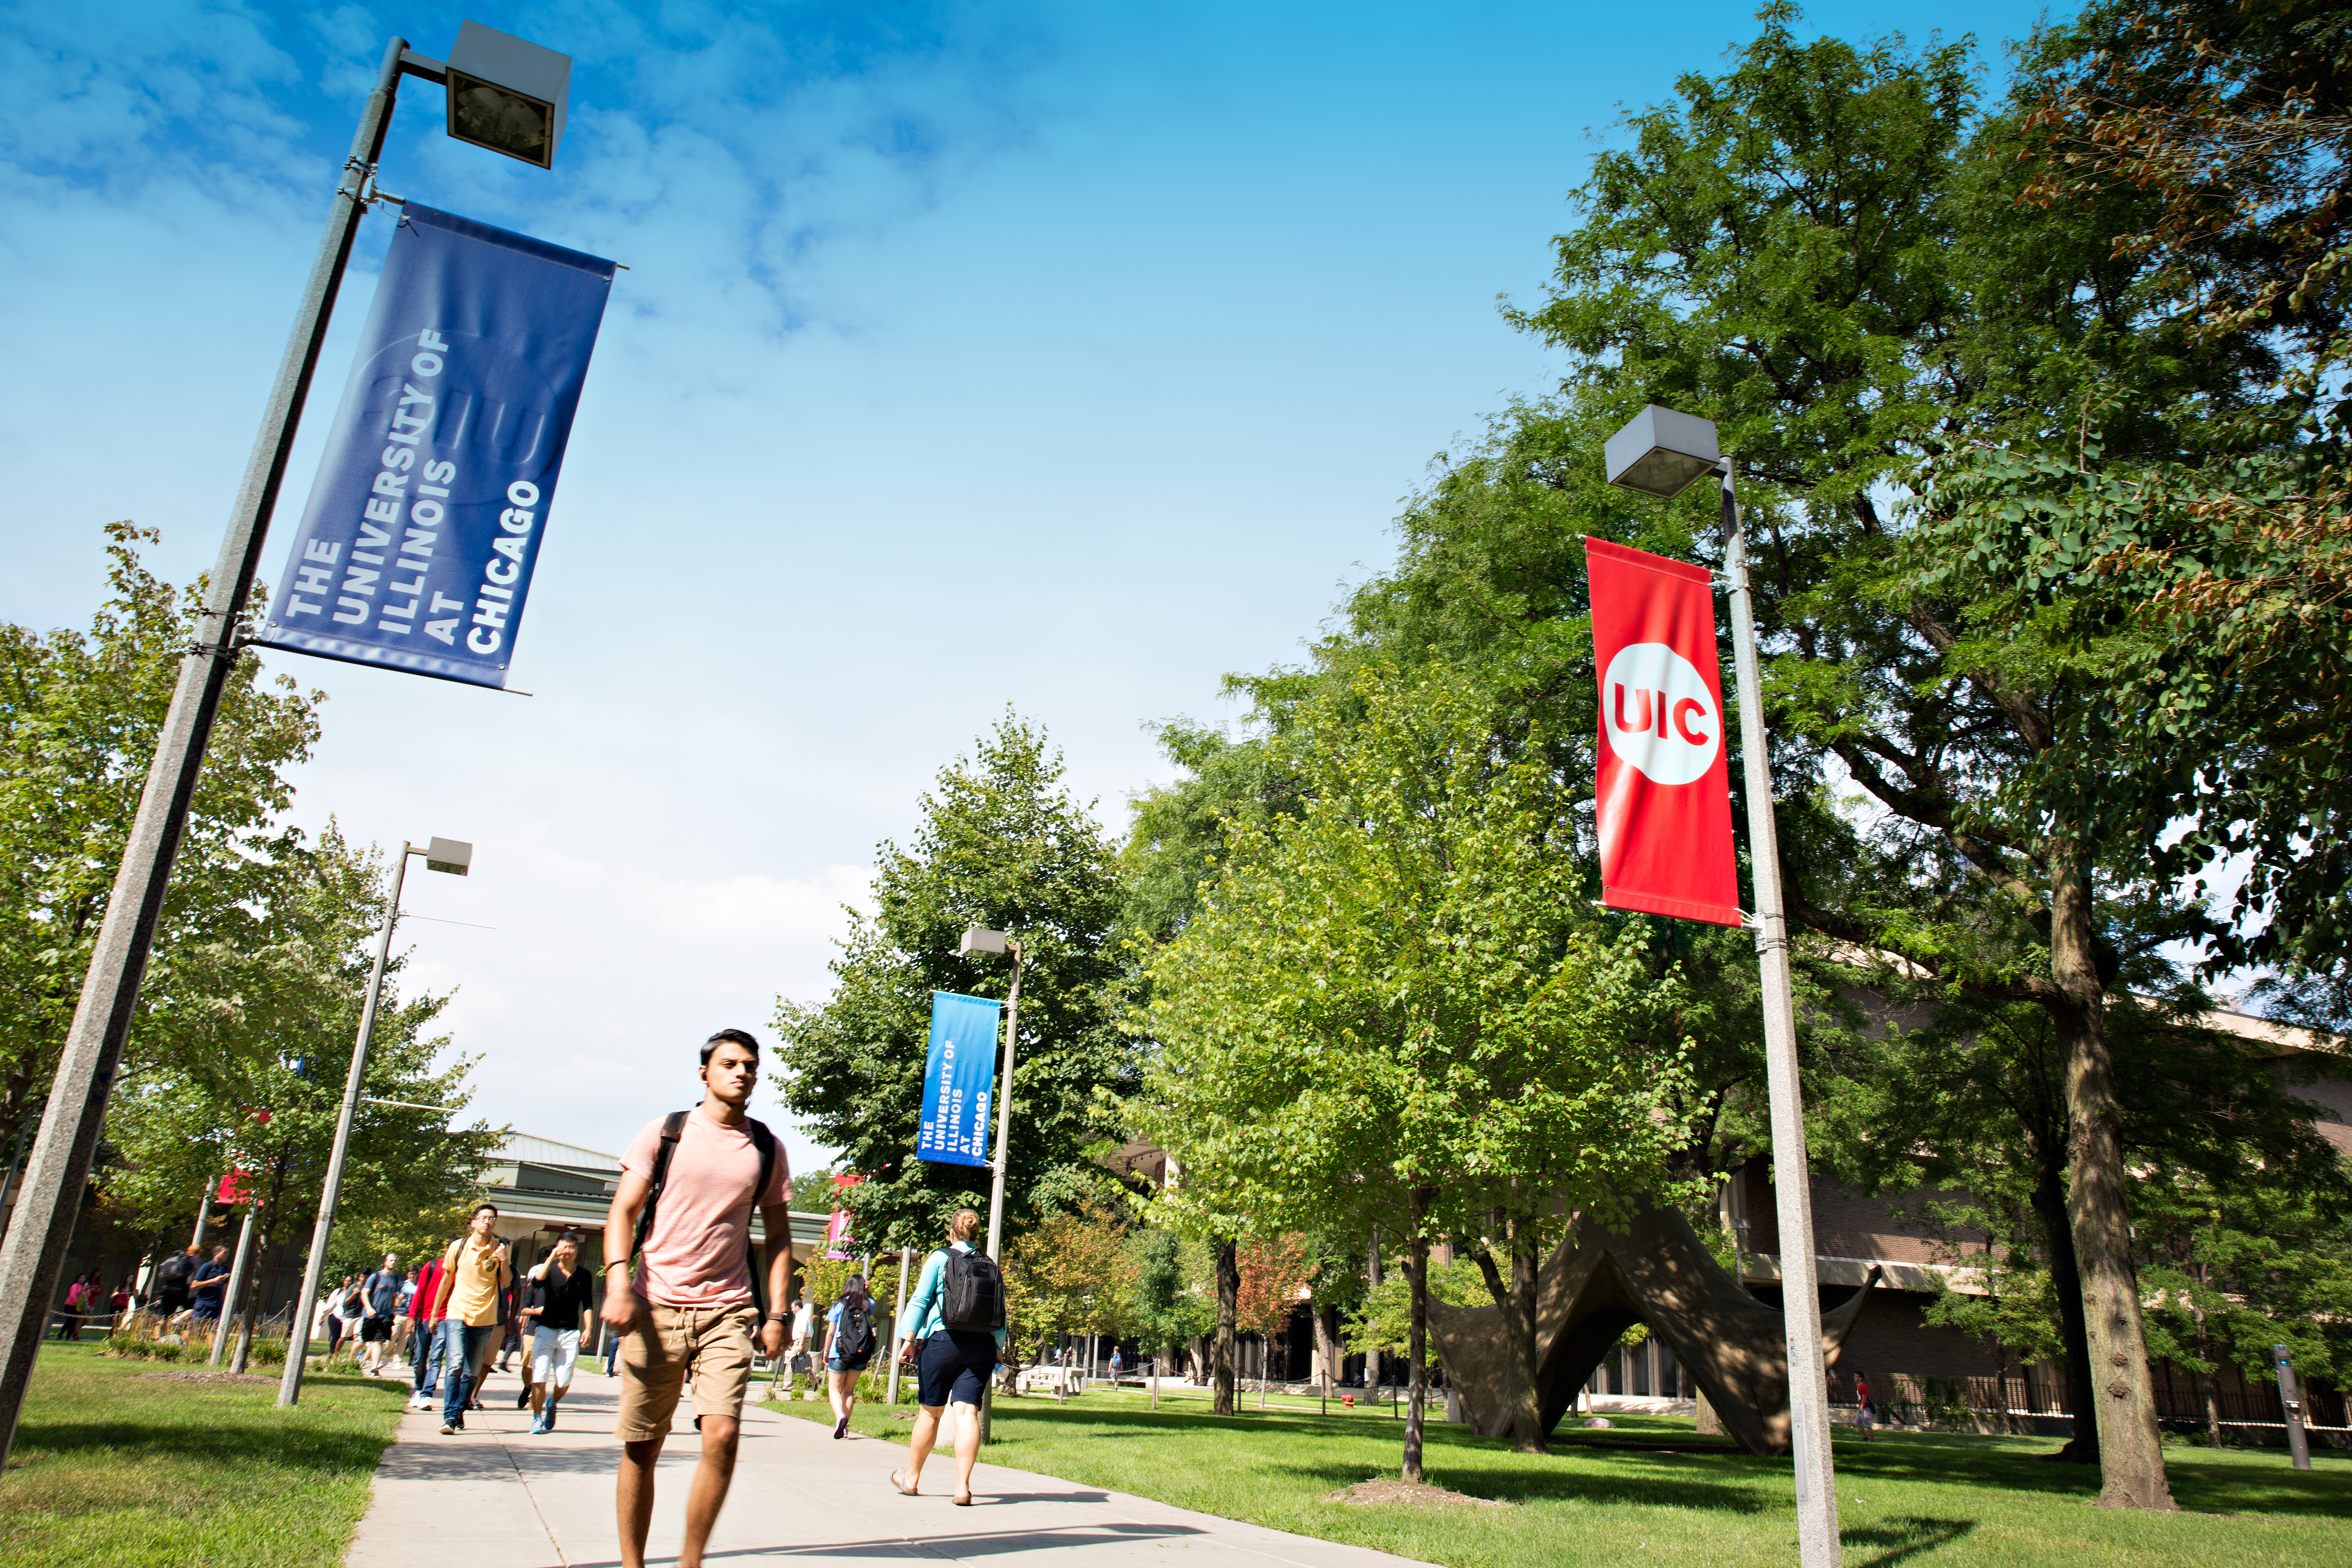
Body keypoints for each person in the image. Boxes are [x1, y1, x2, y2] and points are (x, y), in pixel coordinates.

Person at [602, 1028, 793, 1568]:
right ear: (704, 1072)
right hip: (654, 1305)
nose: (741, 1073)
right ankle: (633, 1564)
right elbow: (622, 1213)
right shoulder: (665, 1134)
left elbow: (778, 1237)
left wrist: (776, 1314)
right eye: (729, 1063)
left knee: (724, 1434)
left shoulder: (765, 1147)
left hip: (728, 1310)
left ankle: (690, 1562)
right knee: (643, 1445)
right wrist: (619, 1283)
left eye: (750, 1066)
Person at [889, 1208, 1006, 1506]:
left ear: (952, 1233)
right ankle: (963, 1487)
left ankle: (912, 1479)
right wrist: (999, 1345)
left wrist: (908, 1338)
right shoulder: (990, 1263)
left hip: (942, 1341)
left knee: (931, 1413)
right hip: (981, 1345)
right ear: (976, 1234)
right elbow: (1000, 1310)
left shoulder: (940, 1258)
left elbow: (920, 1299)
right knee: (967, 1412)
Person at [430, 1204, 513, 1434]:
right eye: (483, 1218)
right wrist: (436, 1313)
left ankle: (458, 1412)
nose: (488, 1222)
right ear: (474, 1222)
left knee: (472, 1371)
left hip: (485, 1317)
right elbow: (446, 1281)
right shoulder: (459, 1247)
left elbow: (506, 1282)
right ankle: (449, 1417)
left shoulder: (500, 1248)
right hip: (457, 1313)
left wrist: (504, 1261)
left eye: (492, 1218)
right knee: (455, 1364)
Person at [522, 1235, 594, 1434]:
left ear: (577, 1250)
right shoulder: (549, 1269)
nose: (567, 1251)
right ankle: (537, 1419)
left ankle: (552, 1403)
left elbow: (588, 1304)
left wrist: (588, 1329)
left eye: (571, 1247)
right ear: (557, 1249)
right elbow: (536, 1284)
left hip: (570, 1333)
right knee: (540, 1376)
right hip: (546, 1329)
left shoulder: (584, 1275)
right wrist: (550, 1258)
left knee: (564, 1380)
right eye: (563, 1247)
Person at [822, 1272, 878, 1438]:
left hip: (839, 1352)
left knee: (834, 1389)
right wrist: (867, 1292)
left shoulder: (839, 1304)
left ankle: (840, 1416)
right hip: (860, 1353)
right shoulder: (869, 1304)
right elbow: (872, 1303)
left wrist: (826, 1352)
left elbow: (831, 1332)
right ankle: (845, 1429)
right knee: (849, 1391)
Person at [408, 1247, 449, 1412]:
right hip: (425, 1318)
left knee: (436, 1358)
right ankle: (419, 1389)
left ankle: (427, 1394)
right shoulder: (432, 1266)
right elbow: (420, 1291)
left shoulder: (462, 1269)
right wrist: (412, 1316)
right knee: (419, 1358)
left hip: (446, 1319)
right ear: (446, 1250)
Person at [361, 1254, 402, 1376]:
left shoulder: (395, 1278)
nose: (393, 1263)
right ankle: (355, 1361)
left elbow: (394, 1295)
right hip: (371, 1315)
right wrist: (369, 1308)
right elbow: (364, 1294)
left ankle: (374, 1369)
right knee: (363, 1341)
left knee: (379, 1341)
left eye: (395, 1261)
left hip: (386, 1315)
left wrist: (394, 1309)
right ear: (385, 1262)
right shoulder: (376, 1277)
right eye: (391, 1261)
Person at [152, 1245, 198, 1327]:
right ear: (198, 1253)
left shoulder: (177, 1257)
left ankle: (158, 1337)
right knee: (195, 1308)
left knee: (165, 1316)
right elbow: (200, 1272)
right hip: (181, 1289)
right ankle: (177, 1321)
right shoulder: (194, 1258)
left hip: (167, 1288)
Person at [187, 1244, 232, 1330]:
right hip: (204, 1305)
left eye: (228, 1253)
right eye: (224, 1253)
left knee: (214, 1331)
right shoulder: (207, 1266)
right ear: (216, 1254)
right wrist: (214, 1281)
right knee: (195, 1330)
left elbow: (225, 1286)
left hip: (217, 1306)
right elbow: (194, 1285)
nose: (227, 1255)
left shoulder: (224, 1268)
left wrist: (224, 1302)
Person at [1856, 1374, 1877, 1442]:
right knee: (1857, 1423)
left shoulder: (1863, 1387)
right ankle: (1865, 1438)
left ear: (1861, 1378)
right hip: (1861, 1408)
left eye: (1856, 1376)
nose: (1855, 1378)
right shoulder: (1858, 1386)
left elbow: (1865, 1398)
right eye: (1854, 1376)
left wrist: (1861, 1408)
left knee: (1868, 1425)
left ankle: (1872, 1440)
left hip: (1865, 1409)